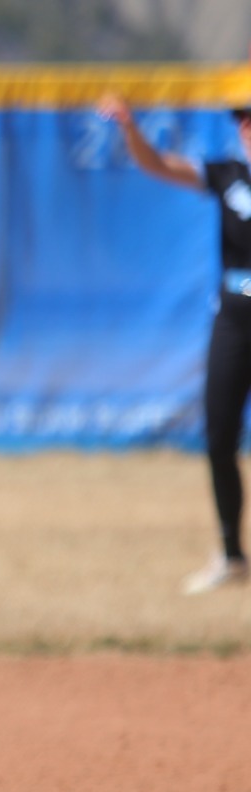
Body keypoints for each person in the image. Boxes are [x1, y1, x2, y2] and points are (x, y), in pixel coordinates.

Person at [101, 93, 251, 594]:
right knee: (219, 438)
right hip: (234, 317)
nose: (248, 129)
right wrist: (130, 129)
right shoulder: (228, 175)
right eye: (244, 122)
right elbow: (160, 165)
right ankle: (231, 554)